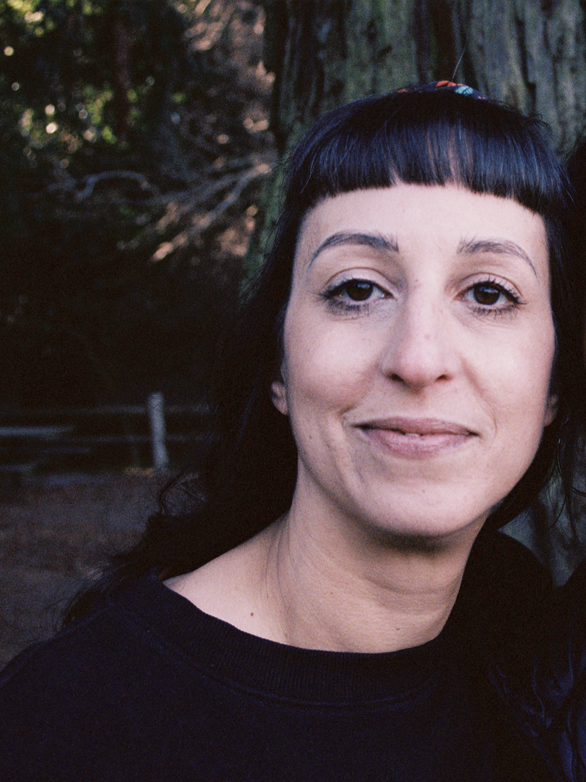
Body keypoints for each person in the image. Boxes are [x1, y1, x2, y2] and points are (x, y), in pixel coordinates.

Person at [0, 82, 584, 782]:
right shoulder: (71, 723)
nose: (419, 358)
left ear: (554, 384)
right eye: (358, 289)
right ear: (278, 362)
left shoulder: (526, 644)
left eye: (489, 293)